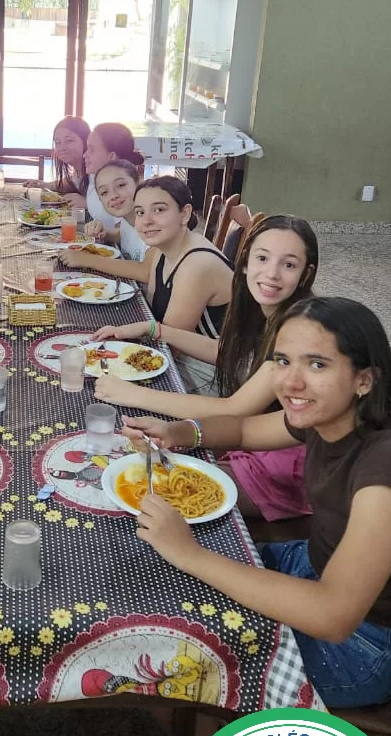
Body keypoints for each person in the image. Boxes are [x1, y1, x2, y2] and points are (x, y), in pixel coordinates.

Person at [123, 297, 391, 709]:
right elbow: (242, 429)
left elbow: (333, 615)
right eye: (282, 361)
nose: (291, 383)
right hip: (312, 563)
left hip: (364, 647)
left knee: (195, 641)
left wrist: (190, 553)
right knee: (173, 576)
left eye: (317, 365)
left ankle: (196, 725)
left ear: (364, 379)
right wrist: (177, 432)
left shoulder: (388, 464)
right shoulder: (328, 416)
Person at [93, 216, 318, 521]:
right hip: (250, 438)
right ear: (245, 262)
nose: (272, 273)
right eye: (262, 258)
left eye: (289, 265)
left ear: (306, 274)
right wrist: (155, 330)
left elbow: (235, 409)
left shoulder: (297, 329)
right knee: (134, 460)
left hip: (285, 466)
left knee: (148, 489)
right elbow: (228, 353)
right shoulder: (264, 309)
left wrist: (131, 394)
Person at [87, 176, 232, 393]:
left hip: (210, 373)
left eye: (159, 210)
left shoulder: (197, 264)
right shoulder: (162, 249)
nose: (146, 221)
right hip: (180, 356)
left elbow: (169, 349)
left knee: (93, 379)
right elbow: (153, 315)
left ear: (185, 213)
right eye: (140, 212)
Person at [58, 159, 148, 271]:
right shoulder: (128, 220)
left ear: (139, 184)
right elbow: (124, 234)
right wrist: (104, 232)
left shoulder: (152, 224)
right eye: (104, 192)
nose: (113, 196)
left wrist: (88, 259)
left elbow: (147, 271)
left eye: (121, 185)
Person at [82, 123, 146, 231]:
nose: (84, 155)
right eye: (104, 192)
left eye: (92, 149)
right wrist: (104, 232)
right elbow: (125, 232)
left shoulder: (127, 192)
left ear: (111, 156)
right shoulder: (96, 176)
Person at [50, 116, 90, 198]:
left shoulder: (95, 171)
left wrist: (86, 203)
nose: (62, 147)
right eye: (58, 142)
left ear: (86, 141)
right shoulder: (78, 172)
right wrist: (45, 185)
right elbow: (71, 182)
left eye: (69, 140)